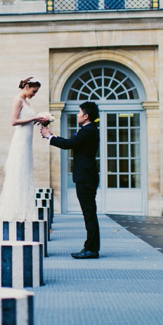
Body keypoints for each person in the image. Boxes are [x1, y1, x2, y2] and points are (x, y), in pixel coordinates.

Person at [40, 101, 101, 259]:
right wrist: (51, 136)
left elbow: (69, 144)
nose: (77, 115)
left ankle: (91, 249)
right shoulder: (88, 130)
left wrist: (49, 137)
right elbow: (73, 143)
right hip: (86, 176)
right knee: (89, 212)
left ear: (86, 116)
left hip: (86, 177)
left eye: (79, 112)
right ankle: (91, 247)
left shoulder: (88, 130)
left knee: (89, 213)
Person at [0, 77, 48, 222]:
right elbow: (14, 121)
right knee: (18, 172)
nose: (34, 94)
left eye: (36, 92)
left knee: (26, 172)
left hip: (27, 141)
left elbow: (28, 120)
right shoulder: (18, 100)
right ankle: (14, 211)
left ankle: (24, 209)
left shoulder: (27, 102)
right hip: (20, 141)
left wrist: (40, 120)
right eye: (33, 91)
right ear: (26, 86)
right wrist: (34, 118)